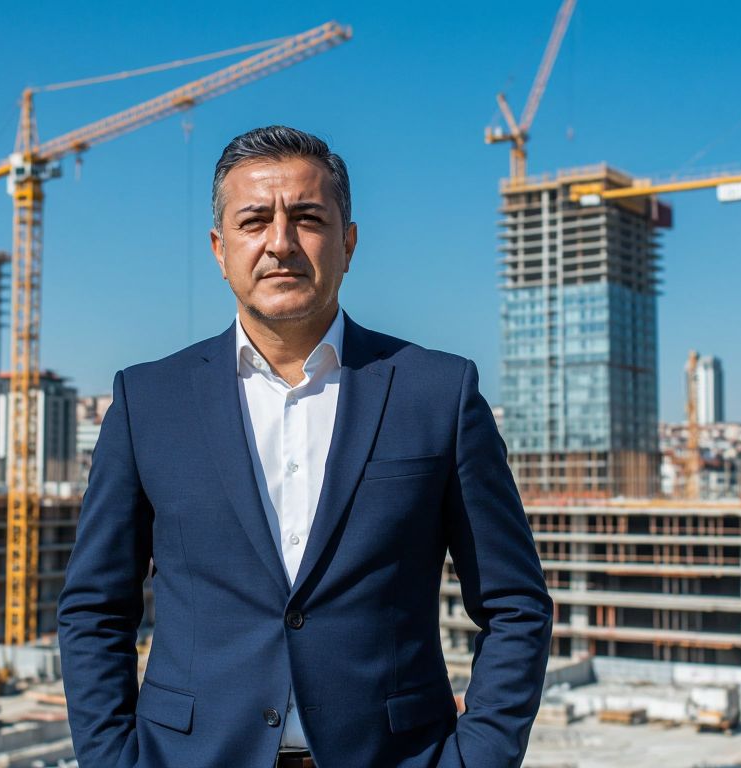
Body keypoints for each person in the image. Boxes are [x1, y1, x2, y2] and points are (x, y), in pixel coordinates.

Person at [58, 125, 553, 768]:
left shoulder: (440, 393)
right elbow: (95, 609)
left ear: (348, 243)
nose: (280, 242)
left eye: (309, 218)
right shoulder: (146, 402)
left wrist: (476, 759)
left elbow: (516, 605)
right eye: (254, 220)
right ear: (219, 247)